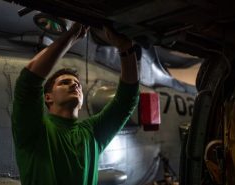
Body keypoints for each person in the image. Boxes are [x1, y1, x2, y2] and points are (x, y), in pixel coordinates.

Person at [11, 22, 140, 185]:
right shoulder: (34, 129)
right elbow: (28, 81)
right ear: (48, 97)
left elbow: (127, 100)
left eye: (78, 85)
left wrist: (125, 48)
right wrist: (71, 36)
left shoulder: (92, 133)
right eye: (64, 82)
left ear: (80, 103)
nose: (74, 85)